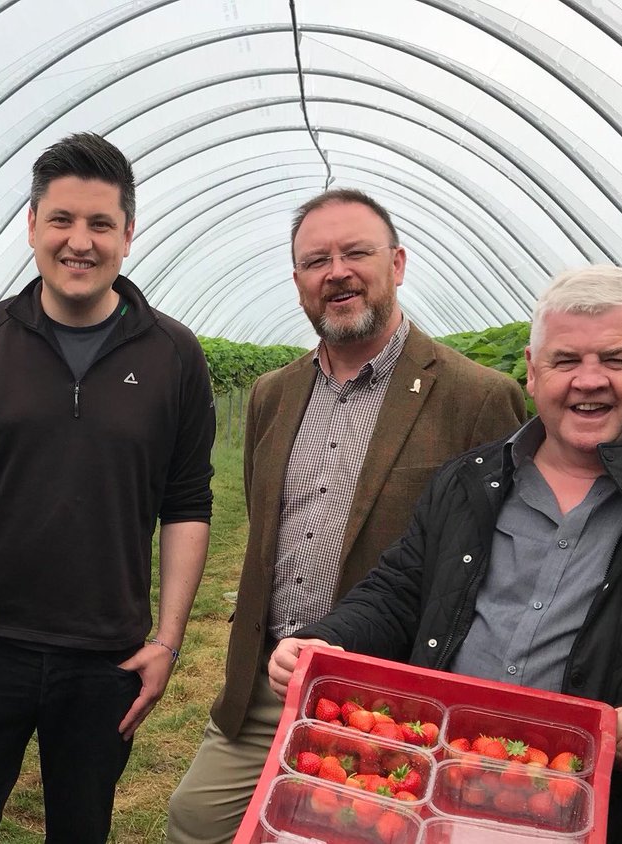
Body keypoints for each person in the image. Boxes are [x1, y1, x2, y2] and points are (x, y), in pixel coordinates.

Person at [270, 265, 622, 841]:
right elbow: (399, 592)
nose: (588, 381)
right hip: (442, 791)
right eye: (565, 361)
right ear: (533, 373)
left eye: (615, 359)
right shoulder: (471, 480)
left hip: (606, 816)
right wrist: (328, 639)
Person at [166, 188, 526, 841]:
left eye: (356, 252)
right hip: (272, 680)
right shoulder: (274, 394)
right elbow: (263, 523)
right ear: (299, 280)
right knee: (196, 820)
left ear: (397, 263)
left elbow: (494, 568)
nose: (337, 272)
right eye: (315, 260)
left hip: (388, 698)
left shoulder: (477, 397)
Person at [0, 132, 215, 843]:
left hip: (108, 654)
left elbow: (187, 505)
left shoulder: (174, 355)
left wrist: (166, 643)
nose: (80, 242)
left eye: (101, 224)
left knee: (82, 829)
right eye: (62, 221)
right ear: (32, 227)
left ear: (129, 235)